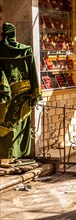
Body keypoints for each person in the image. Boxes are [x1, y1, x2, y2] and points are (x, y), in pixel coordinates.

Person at [0, 23, 41, 158]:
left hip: (3, 95)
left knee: (4, 124)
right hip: (23, 96)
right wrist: (35, 92)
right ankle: (20, 155)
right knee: (19, 125)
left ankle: (5, 156)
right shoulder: (26, 50)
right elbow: (33, 73)